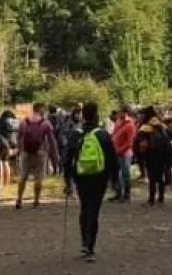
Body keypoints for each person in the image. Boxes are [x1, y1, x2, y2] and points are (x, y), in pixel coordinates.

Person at [69, 101, 119, 263]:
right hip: (99, 177)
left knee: (84, 207)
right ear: (97, 115)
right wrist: (115, 180)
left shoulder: (76, 134)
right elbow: (113, 159)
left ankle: (84, 241)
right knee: (94, 210)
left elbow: (67, 159)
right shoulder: (103, 135)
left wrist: (67, 180)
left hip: (81, 176)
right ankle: (90, 246)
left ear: (83, 116)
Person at [15, 103, 58, 209]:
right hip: (40, 152)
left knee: (22, 177)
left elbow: (19, 136)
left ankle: (19, 199)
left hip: (26, 153)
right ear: (41, 109)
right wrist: (54, 154)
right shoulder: (46, 123)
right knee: (38, 178)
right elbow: (51, 140)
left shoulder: (24, 121)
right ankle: (36, 200)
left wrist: (20, 150)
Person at [136, 116, 172, 206]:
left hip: (151, 159)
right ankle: (161, 198)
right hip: (162, 159)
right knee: (160, 179)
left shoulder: (150, 135)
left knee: (152, 179)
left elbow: (144, 147)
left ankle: (151, 199)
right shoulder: (164, 134)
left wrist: (142, 157)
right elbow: (168, 149)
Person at [110, 105, 137, 202]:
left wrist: (121, 149)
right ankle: (118, 193)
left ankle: (126, 195)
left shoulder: (130, 125)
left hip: (125, 153)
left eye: (121, 112)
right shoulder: (118, 122)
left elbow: (130, 142)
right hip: (117, 152)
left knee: (125, 174)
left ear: (125, 113)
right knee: (117, 174)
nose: (119, 113)